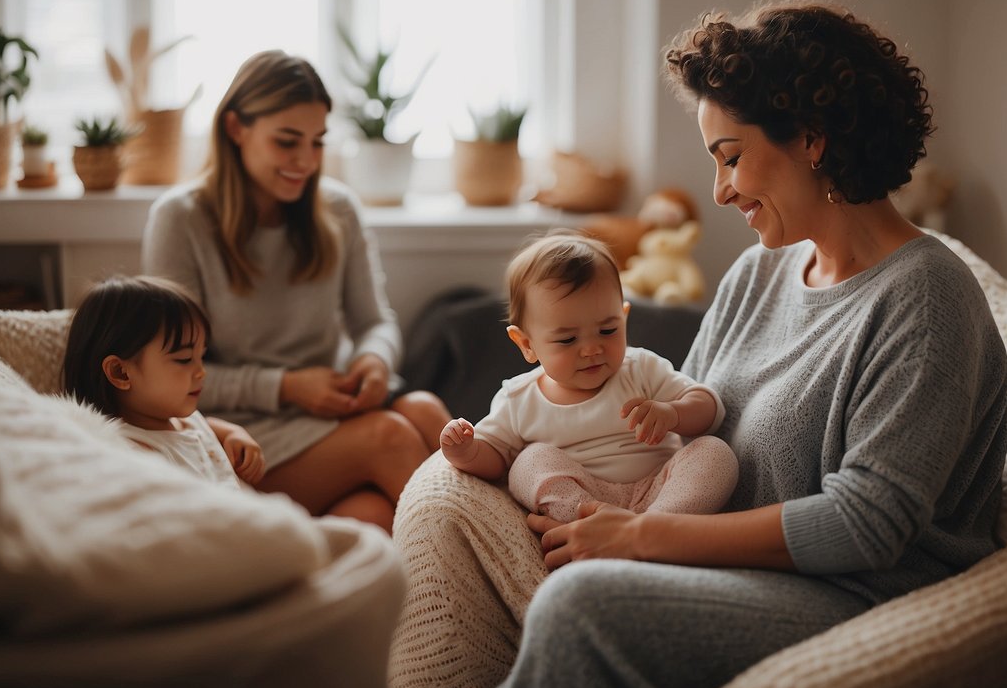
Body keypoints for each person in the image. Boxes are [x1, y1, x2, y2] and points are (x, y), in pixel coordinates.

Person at [390, 0, 1007, 688]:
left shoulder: (925, 298)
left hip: (854, 599)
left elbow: (866, 526)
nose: (718, 192)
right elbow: (694, 422)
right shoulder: (759, 273)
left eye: (732, 158)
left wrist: (644, 537)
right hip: (719, 564)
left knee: (581, 608)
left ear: (811, 138)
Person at [141, 50, 450, 532]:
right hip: (244, 431)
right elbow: (169, 373)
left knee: (417, 429)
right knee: (388, 438)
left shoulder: (338, 211)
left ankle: (489, 561)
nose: (305, 161)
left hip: (333, 413)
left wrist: (373, 361)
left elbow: (375, 323)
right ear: (236, 129)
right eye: (287, 142)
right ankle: (503, 575)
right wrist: (286, 387)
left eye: (318, 142)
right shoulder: (180, 220)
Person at [441, 232, 739, 522]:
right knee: (528, 462)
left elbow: (710, 409)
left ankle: (656, 527)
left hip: (659, 490)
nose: (592, 349)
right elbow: (495, 460)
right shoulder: (519, 399)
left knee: (714, 453)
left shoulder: (641, 369)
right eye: (568, 340)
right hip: (584, 504)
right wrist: (465, 452)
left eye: (608, 331)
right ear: (527, 344)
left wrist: (673, 413)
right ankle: (600, 528)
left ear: (623, 318)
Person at [62, 275, 265, 490]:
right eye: (184, 359)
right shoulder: (133, 450)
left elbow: (203, 425)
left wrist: (234, 433)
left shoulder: (178, 419)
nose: (201, 372)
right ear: (120, 372)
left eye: (201, 356)